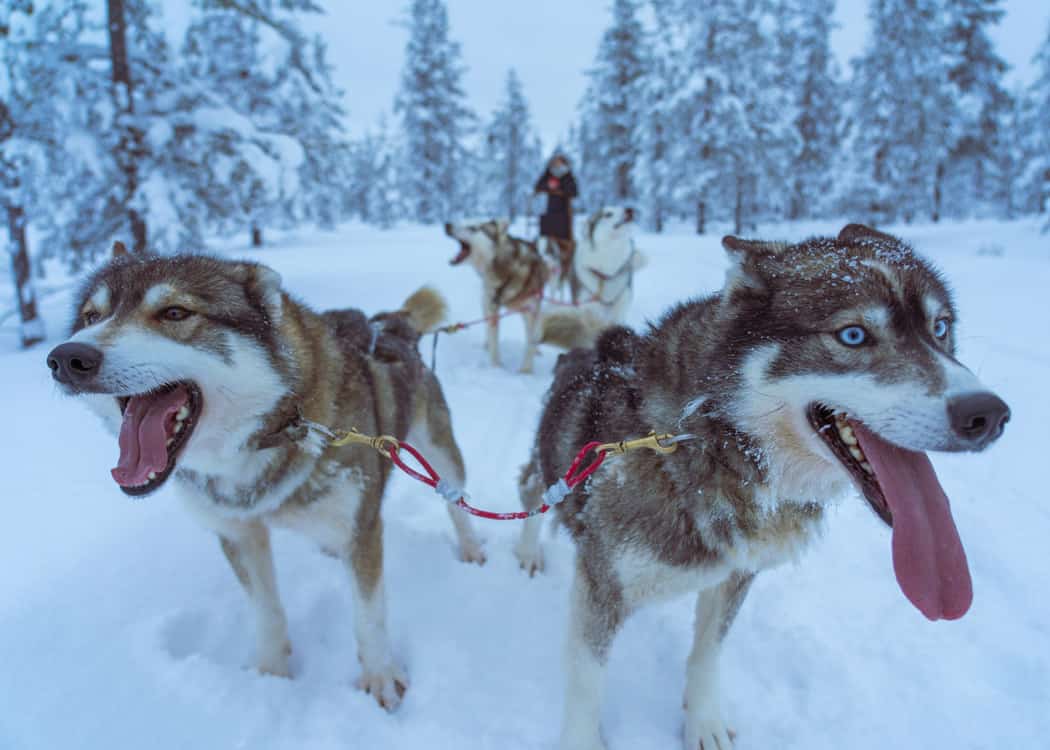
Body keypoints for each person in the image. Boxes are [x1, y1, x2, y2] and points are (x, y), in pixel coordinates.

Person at [534, 153, 579, 301]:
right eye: (555, 162)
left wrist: (559, 190)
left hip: (564, 214)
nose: (557, 165)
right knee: (545, 238)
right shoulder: (548, 174)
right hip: (550, 213)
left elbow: (573, 191)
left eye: (560, 162)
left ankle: (565, 264)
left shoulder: (568, 175)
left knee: (565, 243)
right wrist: (549, 188)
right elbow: (539, 186)